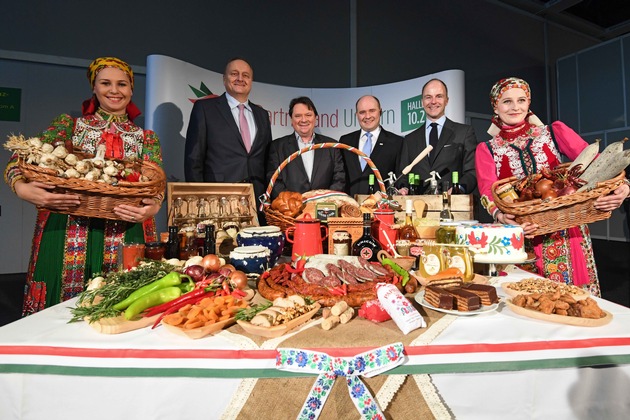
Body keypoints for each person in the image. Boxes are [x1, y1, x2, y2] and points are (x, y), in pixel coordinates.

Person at [4, 57, 164, 315]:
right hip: (66, 226)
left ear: (131, 89)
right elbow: (18, 159)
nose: (114, 90)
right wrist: (23, 189)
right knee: (58, 313)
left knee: (121, 309)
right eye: (106, 83)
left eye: (122, 84)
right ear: (94, 87)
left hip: (127, 226)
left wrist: (153, 207)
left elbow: (156, 184)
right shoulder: (69, 126)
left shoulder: (147, 138)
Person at [476, 77, 630, 296]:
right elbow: (487, 191)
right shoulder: (487, 149)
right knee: (525, 300)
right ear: (495, 106)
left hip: (564, 229)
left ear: (529, 103)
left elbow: (599, 164)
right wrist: (501, 216)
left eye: (521, 100)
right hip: (521, 233)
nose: (515, 107)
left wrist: (623, 186)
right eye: (507, 101)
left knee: (572, 301)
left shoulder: (553, 133)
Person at [184, 57, 272, 205]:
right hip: (217, 199)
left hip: (257, 199)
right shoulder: (205, 109)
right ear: (224, 79)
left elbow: (268, 159)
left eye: (245, 75)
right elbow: (194, 159)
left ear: (251, 81)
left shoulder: (262, 115)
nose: (240, 79)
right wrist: (199, 198)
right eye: (234, 74)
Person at [399, 78, 478, 193]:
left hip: (452, 201)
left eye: (439, 96)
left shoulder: (464, 133)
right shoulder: (410, 139)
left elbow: (472, 171)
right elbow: (403, 175)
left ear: (447, 100)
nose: (433, 101)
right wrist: (404, 188)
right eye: (428, 97)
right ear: (422, 102)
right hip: (418, 202)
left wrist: (458, 189)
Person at [266, 96, 345, 199]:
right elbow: (274, 182)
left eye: (308, 115)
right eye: (298, 116)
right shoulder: (277, 147)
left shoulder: (332, 146)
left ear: (315, 118)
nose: (303, 120)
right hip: (291, 208)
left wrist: (323, 202)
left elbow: (339, 179)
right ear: (291, 119)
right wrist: (294, 203)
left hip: (325, 207)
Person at [339, 95, 403, 197]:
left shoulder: (396, 142)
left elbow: (400, 178)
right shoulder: (345, 141)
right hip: (350, 204)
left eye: (372, 111)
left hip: (381, 204)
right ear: (356, 115)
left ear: (380, 112)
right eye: (362, 112)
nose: (367, 116)